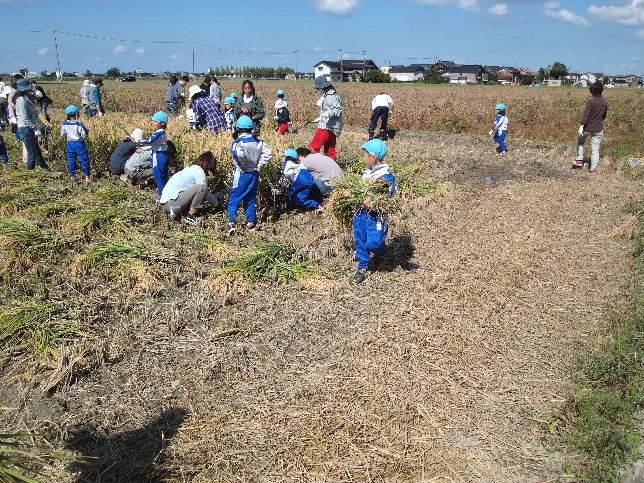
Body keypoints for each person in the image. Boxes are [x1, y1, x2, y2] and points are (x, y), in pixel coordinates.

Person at [351, 139, 397, 285]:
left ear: (373, 157)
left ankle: (381, 251)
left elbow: (388, 197)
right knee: (360, 240)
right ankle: (363, 267)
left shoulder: (386, 176)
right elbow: (358, 191)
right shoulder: (367, 174)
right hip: (361, 214)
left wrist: (373, 203)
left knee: (374, 244)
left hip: (375, 216)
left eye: (365, 155)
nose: (363, 158)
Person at [227, 115, 272, 235]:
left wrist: (241, 165)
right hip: (254, 173)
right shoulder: (259, 142)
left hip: (241, 174)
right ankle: (251, 222)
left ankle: (232, 222)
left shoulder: (238, 143)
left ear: (239, 128)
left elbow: (238, 154)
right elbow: (268, 153)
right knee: (251, 198)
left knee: (234, 198)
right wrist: (259, 165)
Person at [159, 151, 223, 225]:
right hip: (172, 203)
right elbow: (203, 190)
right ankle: (191, 215)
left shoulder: (190, 170)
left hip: (165, 204)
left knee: (200, 191)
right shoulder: (199, 172)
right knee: (202, 187)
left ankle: (179, 211)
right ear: (208, 164)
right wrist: (217, 204)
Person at [14, 78, 49, 171]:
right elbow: (24, 118)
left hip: (28, 128)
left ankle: (46, 169)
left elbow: (37, 96)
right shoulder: (21, 101)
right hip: (26, 128)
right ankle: (30, 172)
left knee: (37, 152)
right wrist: (35, 128)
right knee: (32, 153)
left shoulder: (26, 98)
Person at [574, 81, 608, 174]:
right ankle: (593, 169)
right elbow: (604, 116)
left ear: (592, 91)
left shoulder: (590, 101)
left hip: (587, 128)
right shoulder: (605, 102)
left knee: (580, 142)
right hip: (598, 129)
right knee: (595, 149)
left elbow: (585, 116)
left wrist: (581, 126)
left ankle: (579, 160)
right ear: (601, 91)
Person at [310, 76, 343, 161]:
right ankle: (332, 168)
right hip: (332, 125)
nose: (318, 90)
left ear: (323, 87)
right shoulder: (327, 94)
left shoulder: (331, 96)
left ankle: (314, 164)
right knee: (330, 148)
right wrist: (320, 117)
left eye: (318, 88)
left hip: (327, 126)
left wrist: (328, 113)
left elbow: (337, 110)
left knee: (314, 146)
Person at [138, 111, 170, 196]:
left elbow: (149, 141)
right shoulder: (163, 133)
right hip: (163, 155)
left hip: (159, 156)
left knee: (158, 176)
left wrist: (137, 141)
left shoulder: (158, 133)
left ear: (162, 123)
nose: (153, 123)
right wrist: (143, 148)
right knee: (163, 176)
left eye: (156, 121)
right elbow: (154, 145)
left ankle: (162, 196)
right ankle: (163, 193)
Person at [61, 105, 91, 182]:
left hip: (70, 144)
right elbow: (84, 135)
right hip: (79, 144)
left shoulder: (65, 124)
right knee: (84, 160)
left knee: (71, 160)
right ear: (77, 115)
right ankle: (87, 176)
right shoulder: (79, 124)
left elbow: (63, 135)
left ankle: (72, 176)